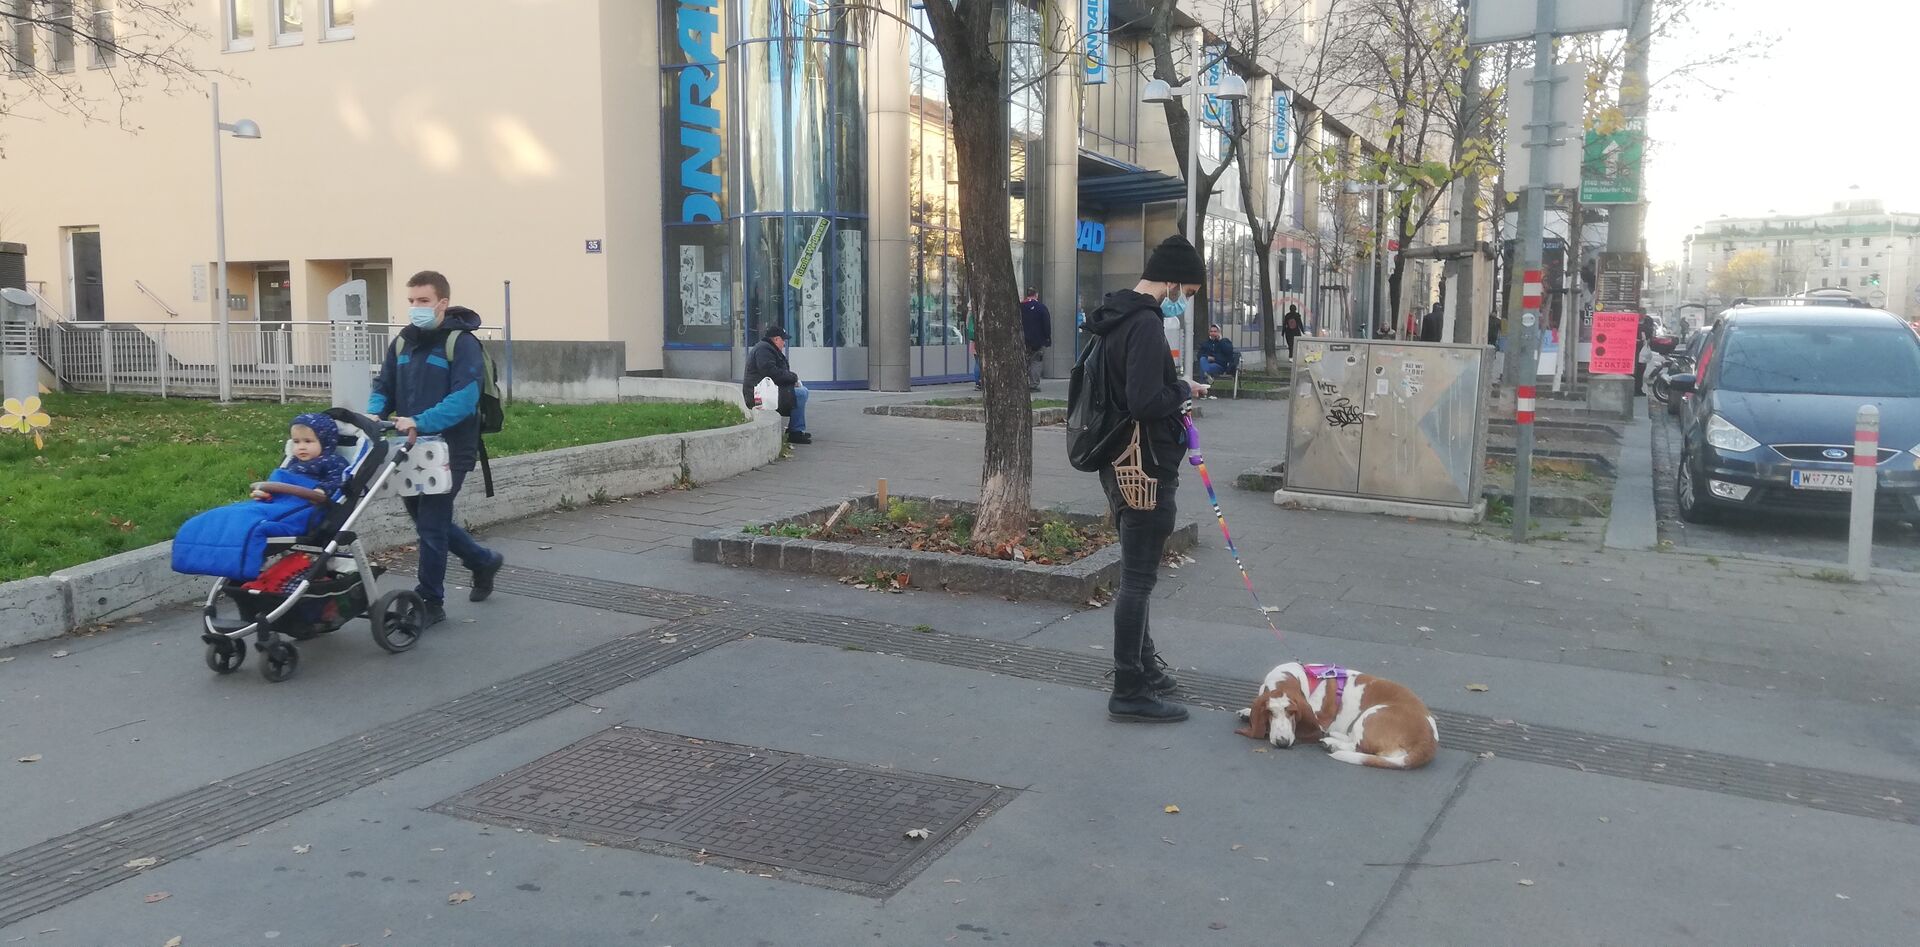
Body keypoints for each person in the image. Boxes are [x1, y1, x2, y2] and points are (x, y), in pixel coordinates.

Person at [1080, 234, 1210, 724]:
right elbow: (1143, 400)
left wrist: (1174, 386)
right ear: (1173, 279)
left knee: (1139, 576)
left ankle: (1144, 669)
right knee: (1137, 581)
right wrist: (1182, 388)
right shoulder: (1146, 324)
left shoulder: (1115, 318)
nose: (1185, 301)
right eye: (1188, 292)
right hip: (1146, 468)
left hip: (1119, 461)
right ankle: (1129, 688)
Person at [369, 270, 505, 628]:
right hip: (410, 446)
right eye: (411, 301)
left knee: (431, 523)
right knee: (428, 520)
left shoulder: (461, 344)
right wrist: (373, 413)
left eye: (423, 301)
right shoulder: (402, 342)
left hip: (450, 447)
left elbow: (464, 398)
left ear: (442, 303)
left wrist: (421, 421)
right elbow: (384, 385)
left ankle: (430, 600)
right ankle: (482, 560)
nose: (416, 308)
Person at [250, 412, 349, 506]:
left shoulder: (333, 461)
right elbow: (283, 479)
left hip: (306, 501)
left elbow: (337, 481)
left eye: (308, 441)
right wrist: (267, 489)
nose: (301, 447)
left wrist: (321, 490)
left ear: (325, 442)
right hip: (282, 497)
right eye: (296, 442)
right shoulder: (294, 460)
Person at [745, 325, 811, 444]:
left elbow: (776, 373)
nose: (784, 343)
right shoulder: (764, 350)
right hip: (759, 395)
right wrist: (793, 378)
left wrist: (792, 381)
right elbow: (770, 372)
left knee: (802, 391)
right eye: (783, 340)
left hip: (768, 391)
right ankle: (795, 432)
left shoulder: (768, 348)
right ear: (776, 339)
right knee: (800, 394)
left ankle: (795, 429)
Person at [1020, 287, 1052, 391]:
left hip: (1023, 340)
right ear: (1036, 295)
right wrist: (1047, 337)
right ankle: (1033, 384)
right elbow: (1046, 324)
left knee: (1024, 361)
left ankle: (1022, 382)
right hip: (1038, 340)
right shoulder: (1041, 308)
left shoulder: (1020, 307)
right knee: (1036, 362)